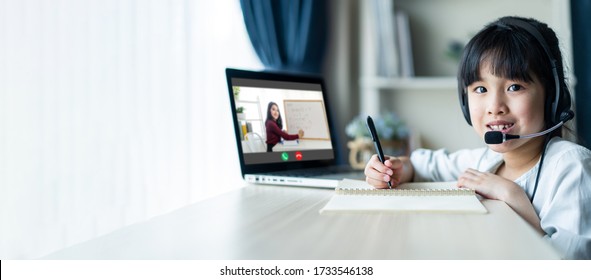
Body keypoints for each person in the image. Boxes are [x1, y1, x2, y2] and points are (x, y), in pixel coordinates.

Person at [364, 16, 591, 259]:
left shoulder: (571, 168)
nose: (495, 107)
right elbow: (422, 166)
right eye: (480, 89)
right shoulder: (487, 161)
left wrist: (512, 197)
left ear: (552, 98)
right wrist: (395, 169)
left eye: (514, 87)